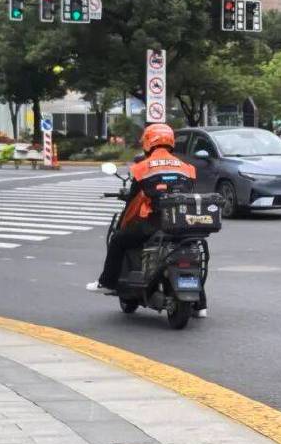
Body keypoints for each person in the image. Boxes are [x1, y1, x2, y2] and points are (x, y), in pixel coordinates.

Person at [86, 124, 208, 317]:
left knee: (118, 240)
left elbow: (134, 198)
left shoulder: (142, 167)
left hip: (155, 225)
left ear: (148, 142)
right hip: (183, 224)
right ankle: (201, 306)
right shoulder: (186, 167)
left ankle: (107, 282)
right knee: (187, 252)